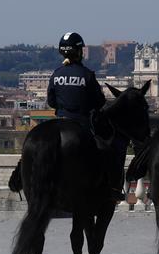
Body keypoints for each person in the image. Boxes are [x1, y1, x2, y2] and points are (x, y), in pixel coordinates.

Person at [47, 32, 122, 202]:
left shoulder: (56, 74)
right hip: (81, 125)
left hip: (60, 122)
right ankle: (113, 189)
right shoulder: (87, 75)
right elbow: (99, 101)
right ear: (80, 52)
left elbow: (51, 102)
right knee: (108, 153)